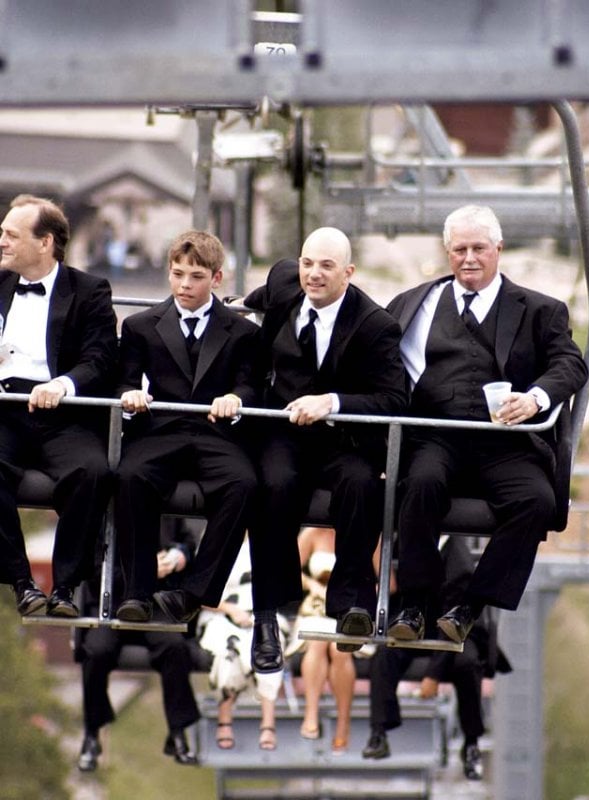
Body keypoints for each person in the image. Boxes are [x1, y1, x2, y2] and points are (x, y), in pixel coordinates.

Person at [386, 204, 588, 643]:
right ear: (447, 252)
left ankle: (469, 606)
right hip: (440, 435)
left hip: (506, 441)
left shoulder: (539, 310)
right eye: (460, 249)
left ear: (498, 250)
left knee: (536, 500)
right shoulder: (416, 305)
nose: (469, 258)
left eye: (479, 248)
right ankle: (415, 603)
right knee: (420, 483)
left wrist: (535, 399)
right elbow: (374, 352)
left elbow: (570, 366)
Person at [243, 227, 407, 674]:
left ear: (348, 273)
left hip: (343, 436)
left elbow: (394, 400)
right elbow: (254, 301)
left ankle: (353, 604)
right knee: (272, 485)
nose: (313, 275)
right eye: (307, 263)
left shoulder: (376, 326)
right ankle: (268, 619)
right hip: (284, 431)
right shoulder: (283, 284)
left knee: (359, 485)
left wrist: (332, 403)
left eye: (327, 266)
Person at [113, 230, 260, 623]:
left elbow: (250, 382)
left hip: (216, 433)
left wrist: (237, 399)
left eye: (196, 276)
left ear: (216, 279)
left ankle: (196, 593)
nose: (184, 284)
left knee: (244, 484)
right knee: (129, 476)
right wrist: (130, 397)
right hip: (162, 430)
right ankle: (137, 593)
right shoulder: (141, 326)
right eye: (177, 274)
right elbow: (124, 379)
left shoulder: (244, 331)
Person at [0, 194, 117, 617]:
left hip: (60, 414)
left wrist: (63, 385)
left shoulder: (89, 290)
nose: (2, 242)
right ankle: (21, 581)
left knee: (93, 470)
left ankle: (66, 586)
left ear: (45, 243)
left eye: (11, 235)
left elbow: (101, 357)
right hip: (4, 409)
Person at [362, 535, 512, 781]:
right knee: (385, 656)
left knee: (467, 663)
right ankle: (379, 730)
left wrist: (433, 673)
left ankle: (471, 741)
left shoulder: (455, 555)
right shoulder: (402, 546)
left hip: (456, 631)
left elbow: (453, 621)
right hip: (414, 624)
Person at [76, 519, 210, 771]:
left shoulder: (167, 507)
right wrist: (144, 570)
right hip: (112, 604)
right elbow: (92, 569)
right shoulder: (106, 512)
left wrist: (178, 556)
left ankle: (178, 731)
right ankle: (92, 732)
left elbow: (189, 544)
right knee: (96, 650)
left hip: (156, 605)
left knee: (174, 647)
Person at [197, 537, 286, 752]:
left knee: (268, 645)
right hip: (222, 612)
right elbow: (198, 591)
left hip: (261, 613)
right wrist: (231, 610)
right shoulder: (215, 540)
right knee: (229, 648)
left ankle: (268, 721)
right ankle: (225, 719)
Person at [287, 526, 357, 754]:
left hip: (350, 608)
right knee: (317, 641)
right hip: (317, 606)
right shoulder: (312, 533)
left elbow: (387, 582)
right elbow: (287, 567)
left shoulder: (366, 530)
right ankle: (311, 714)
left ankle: (343, 723)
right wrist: (313, 586)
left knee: (340, 649)